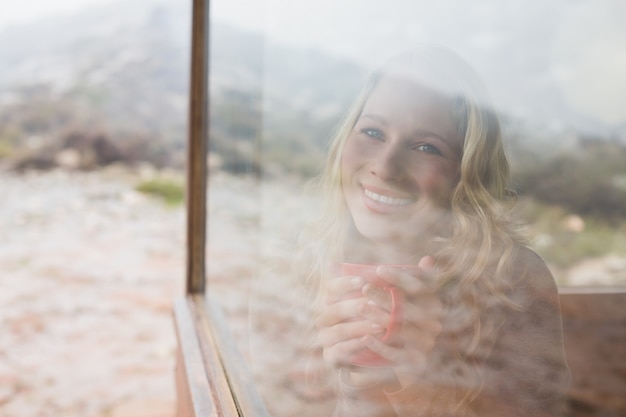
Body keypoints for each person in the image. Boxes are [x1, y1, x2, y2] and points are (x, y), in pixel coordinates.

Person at [295, 45, 571, 417]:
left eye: (427, 146)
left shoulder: (514, 281)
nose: (386, 167)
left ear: (465, 174)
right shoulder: (300, 264)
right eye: (373, 131)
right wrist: (359, 381)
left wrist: (422, 382)